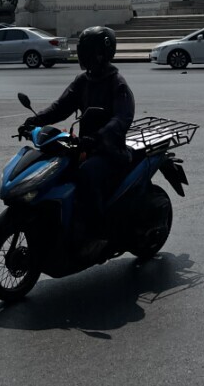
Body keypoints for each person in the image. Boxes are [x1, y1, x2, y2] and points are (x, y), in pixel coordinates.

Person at [20, 25, 134, 259]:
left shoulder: (117, 84)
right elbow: (60, 107)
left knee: (87, 174)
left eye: (88, 52)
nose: (84, 57)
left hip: (109, 150)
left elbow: (121, 119)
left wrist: (99, 137)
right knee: (55, 170)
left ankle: (98, 234)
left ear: (102, 53)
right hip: (83, 146)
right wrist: (35, 121)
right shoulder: (83, 81)